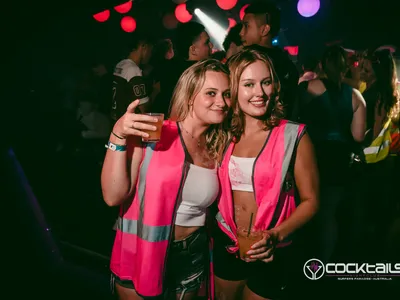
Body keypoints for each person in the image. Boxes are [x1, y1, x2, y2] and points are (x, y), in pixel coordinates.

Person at [101, 59, 231, 300]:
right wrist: (118, 134)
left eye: (227, 94)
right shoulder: (155, 131)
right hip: (142, 251)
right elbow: (112, 196)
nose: (222, 102)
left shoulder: (219, 146)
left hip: (193, 253)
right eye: (211, 93)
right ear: (190, 95)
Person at [214, 49, 319, 300]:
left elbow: (312, 200)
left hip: (272, 249)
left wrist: (276, 235)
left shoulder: (293, 135)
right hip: (228, 243)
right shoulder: (222, 135)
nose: (260, 93)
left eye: (266, 82)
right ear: (234, 89)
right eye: (248, 84)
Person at [298, 45, 366, 263]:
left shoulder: (308, 88)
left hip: (312, 155)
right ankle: (323, 263)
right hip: (338, 159)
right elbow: (357, 136)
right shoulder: (356, 96)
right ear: (345, 67)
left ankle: (305, 260)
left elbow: (293, 120)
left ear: (322, 64)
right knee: (328, 214)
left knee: (304, 208)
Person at [240, 1, 299, 121]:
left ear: (264, 30)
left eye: (246, 26)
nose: (241, 32)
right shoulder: (287, 64)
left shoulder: (246, 61)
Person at [111, 31, 155, 123]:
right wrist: (156, 91)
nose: (150, 55)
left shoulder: (120, 65)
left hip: (117, 120)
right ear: (144, 47)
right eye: (150, 50)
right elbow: (143, 107)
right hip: (129, 125)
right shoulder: (133, 69)